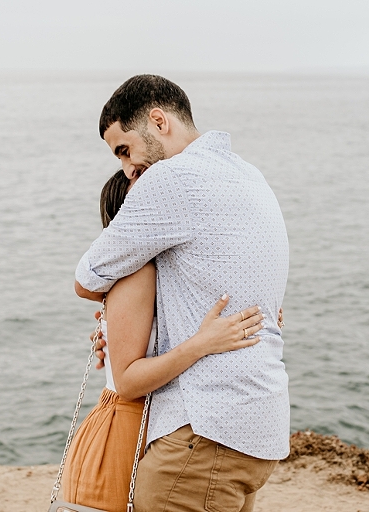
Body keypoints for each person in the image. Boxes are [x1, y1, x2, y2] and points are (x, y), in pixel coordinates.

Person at [74, 74, 290, 512]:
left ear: (158, 121)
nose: (127, 168)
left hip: (203, 430)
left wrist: (121, 307)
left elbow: (87, 277)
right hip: (260, 425)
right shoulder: (250, 177)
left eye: (125, 149)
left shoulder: (172, 179)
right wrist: (134, 327)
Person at [62, 170, 267, 512]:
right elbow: (129, 382)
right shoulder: (136, 272)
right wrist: (201, 344)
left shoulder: (177, 275)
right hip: (129, 429)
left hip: (172, 426)